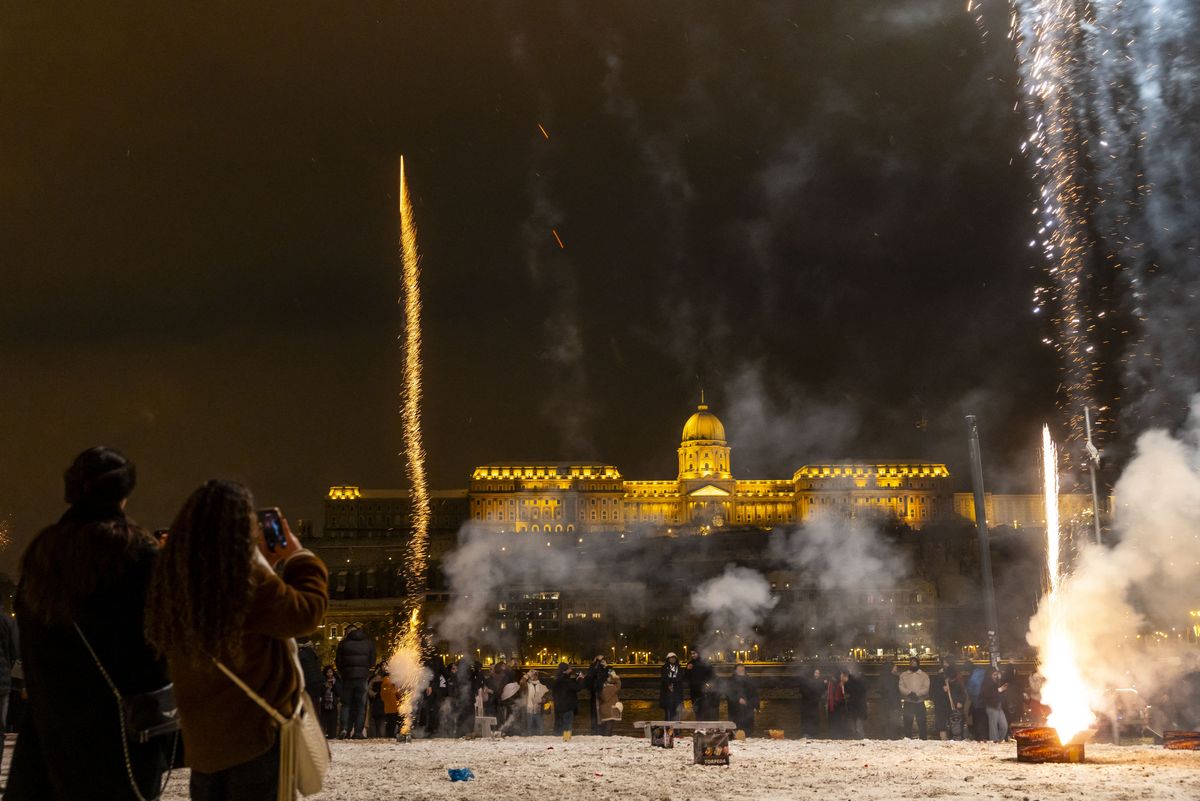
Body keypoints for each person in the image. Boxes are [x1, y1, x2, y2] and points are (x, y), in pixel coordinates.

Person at [144, 479, 328, 801]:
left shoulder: (174, 582)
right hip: (253, 738)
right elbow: (305, 613)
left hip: (204, 744)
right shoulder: (243, 580)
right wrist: (299, 556)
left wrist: (268, 566)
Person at [7, 447, 172, 800]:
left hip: (49, 729)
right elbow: (158, 642)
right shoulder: (136, 551)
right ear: (124, 493)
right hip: (118, 731)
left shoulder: (42, 551)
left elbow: (30, 633)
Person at [335, 623, 375, 739]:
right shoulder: (368, 643)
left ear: (348, 632)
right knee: (361, 706)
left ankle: (344, 728)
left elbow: (338, 661)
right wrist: (365, 670)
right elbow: (372, 661)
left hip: (347, 677)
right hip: (362, 678)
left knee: (346, 704)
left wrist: (343, 672)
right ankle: (358, 732)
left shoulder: (343, 644)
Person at [898, 657, 930, 740]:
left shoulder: (924, 675)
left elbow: (926, 688)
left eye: (915, 663)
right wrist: (909, 693)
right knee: (907, 723)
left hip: (920, 702)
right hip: (908, 702)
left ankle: (923, 740)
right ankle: (908, 740)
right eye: (912, 663)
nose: (913, 664)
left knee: (922, 723)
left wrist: (917, 695)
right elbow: (901, 687)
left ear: (918, 664)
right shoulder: (903, 675)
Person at [725, 663, 759, 736]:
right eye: (739, 669)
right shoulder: (731, 681)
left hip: (748, 708)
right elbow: (728, 694)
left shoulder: (749, 680)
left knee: (748, 729)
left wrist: (756, 706)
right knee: (736, 730)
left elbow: (755, 694)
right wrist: (737, 699)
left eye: (742, 669)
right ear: (735, 671)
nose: (741, 670)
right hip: (736, 710)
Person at [551, 662, 582, 735]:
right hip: (567, 707)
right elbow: (577, 688)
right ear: (565, 670)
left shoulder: (556, 680)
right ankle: (566, 739)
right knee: (567, 727)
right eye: (569, 668)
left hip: (558, 707)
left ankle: (558, 738)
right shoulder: (566, 680)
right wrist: (580, 679)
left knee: (559, 726)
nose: (571, 670)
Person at [516, 669, 549, 735]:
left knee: (540, 726)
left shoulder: (541, 686)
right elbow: (521, 682)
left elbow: (547, 696)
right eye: (533, 675)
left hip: (538, 709)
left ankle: (540, 737)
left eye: (536, 675)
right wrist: (527, 674)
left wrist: (544, 699)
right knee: (529, 726)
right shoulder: (527, 685)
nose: (534, 677)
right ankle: (529, 736)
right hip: (528, 709)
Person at [687, 652, 719, 721]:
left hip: (705, 692)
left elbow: (712, 675)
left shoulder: (705, 662)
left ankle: (707, 725)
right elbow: (686, 677)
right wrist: (688, 670)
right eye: (691, 653)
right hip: (694, 692)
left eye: (694, 653)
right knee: (697, 711)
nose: (692, 655)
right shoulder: (690, 663)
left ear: (698, 653)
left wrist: (708, 684)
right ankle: (699, 725)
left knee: (706, 710)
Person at [980, 667, 1009, 742]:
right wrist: (999, 690)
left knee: (1004, 726)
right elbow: (987, 694)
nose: (996, 676)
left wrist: (1001, 688)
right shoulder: (986, 683)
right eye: (994, 674)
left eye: (997, 674)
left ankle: (998, 741)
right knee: (993, 728)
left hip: (999, 706)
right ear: (990, 675)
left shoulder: (997, 682)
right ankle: (994, 742)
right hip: (991, 706)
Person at [931, 657, 955, 740]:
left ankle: (953, 738)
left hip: (952, 704)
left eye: (946, 663)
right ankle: (944, 739)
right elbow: (933, 692)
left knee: (953, 723)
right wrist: (942, 689)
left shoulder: (955, 677)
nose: (945, 665)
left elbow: (960, 691)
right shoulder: (938, 677)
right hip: (941, 704)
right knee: (942, 723)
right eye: (944, 663)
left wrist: (959, 701)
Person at [297, 637, 323, 712]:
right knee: (315, 703)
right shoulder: (312, 652)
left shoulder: (300, 654)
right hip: (317, 680)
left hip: (308, 682)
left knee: (308, 704)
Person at [584, 655, 608, 734]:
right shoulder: (597, 670)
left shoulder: (594, 670)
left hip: (598, 694)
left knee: (598, 713)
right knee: (598, 713)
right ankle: (598, 730)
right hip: (598, 694)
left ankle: (597, 730)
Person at [877, 664, 902, 739]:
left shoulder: (882, 677)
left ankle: (887, 737)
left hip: (885, 703)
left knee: (886, 722)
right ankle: (893, 737)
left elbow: (879, 690)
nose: (896, 669)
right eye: (895, 668)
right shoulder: (896, 678)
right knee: (893, 722)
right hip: (893, 703)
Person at [800, 667, 826, 738]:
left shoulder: (820, 681)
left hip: (814, 703)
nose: (817, 674)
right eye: (816, 673)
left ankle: (814, 734)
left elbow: (821, 691)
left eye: (818, 673)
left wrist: (824, 684)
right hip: (807, 703)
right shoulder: (809, 682)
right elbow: (805, 692)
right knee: (807, 718)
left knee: (814, 718)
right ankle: (807, 733)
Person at [660, 652, 684, 721]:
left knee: (677, 710)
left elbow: (680, 678)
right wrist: (669, 684)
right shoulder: (664, 667)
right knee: (668, 710)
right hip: (667, 692)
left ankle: (676, 726)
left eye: (674, 658)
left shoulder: (679, 668)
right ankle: (668, 725)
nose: (672, 659)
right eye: (671, 658)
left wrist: (672, 681)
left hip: (677, 691)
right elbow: (664, 678)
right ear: (668, 659)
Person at [597, 669, 622, 736]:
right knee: (609, 726)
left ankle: (603, 736)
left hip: (603, 709)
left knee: (604, 725)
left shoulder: (600, 688)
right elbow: (619, 685)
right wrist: (615, 677)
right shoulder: (612, 688)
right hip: (611, 710)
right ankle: (607, 737)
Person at [844, 668, 867, 740]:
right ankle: (859, 737)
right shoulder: (862, 680)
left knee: (854, 723)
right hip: (860, 705)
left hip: (853, 705)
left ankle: (856, 737)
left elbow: (847, 690)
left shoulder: (850, 681)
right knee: (859, 724)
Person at [318, 666, 341, 739]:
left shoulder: (336, 680)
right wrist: (325, 686)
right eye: (328, 672)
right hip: (324, 703)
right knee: (323, 719)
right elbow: (320, 692)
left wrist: (334, 685)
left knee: (333, 719)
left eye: (331, 672)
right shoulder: (322, 681)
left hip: (333, 703)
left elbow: (339, 693)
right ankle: (322, 734)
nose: (329, 674)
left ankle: (332, 734)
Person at [827, 670, 849, 739]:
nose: (842, 676)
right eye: (841, 675)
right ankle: (835, 735)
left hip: (838, 705)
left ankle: (838, 735)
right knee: (835, 721)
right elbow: (832, 695)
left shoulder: (839, 683)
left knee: (839, 721)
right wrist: (832, 706)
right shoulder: (834, 683)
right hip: (836, 705)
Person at [367, 663, 387, 738]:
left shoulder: (386, 678)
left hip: (381, 704)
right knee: (378, 722)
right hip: (378, 704)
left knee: (380, 723)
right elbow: (369, 690)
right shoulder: (374, 679)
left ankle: (379, 736)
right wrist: (374, 694)